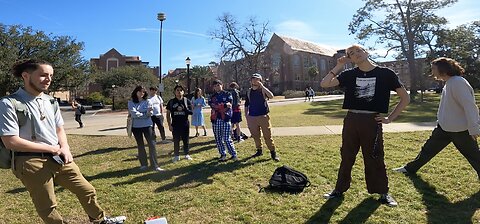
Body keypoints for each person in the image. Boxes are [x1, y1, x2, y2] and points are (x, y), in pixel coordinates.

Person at [0, 59, 126, 224]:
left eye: (51, 75)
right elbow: (11, 141)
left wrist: (65, 148)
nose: (48, 79)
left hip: (59, 156)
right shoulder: (9, 103)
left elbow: (59, 129)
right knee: (47, 206)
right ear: (26, 76)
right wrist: (52, 149)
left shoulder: (51, 101)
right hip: (29, 161)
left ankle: (100, 220)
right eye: (43, 75)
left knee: (87, 190)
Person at [320, 44, 410, 207]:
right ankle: (338, 190)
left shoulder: (385, 73)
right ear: (350, 59)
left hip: (372, 121)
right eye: (351, 54)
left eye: (358, 51)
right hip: (351, 120)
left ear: (366, 52)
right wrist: (339, 65)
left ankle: (383, 193)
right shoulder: (349, 74)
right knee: (347, 156)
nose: (356, 54)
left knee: (375, 157)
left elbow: (405, 98)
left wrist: (390, 118)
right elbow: (325, 84)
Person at [393, 57, 480, 180]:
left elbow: (469, 105)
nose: (432, 71)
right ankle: (409, 169)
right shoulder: (449, 82)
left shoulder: (458, 82)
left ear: (443, 69)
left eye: (434, 69)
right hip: (444, 128)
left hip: (460, 130)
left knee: (475, 157)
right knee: (427, 151)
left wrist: (474, 128)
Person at [245, 73, 280, 162]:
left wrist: (262, 86)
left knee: (267, 136)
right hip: (252, 117)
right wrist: (247, 117)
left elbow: (271, 96)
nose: (255, 81)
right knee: (256, 136)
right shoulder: (249, 92)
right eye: (253, 79)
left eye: (257, 79)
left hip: (263, 116)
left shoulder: (263, 90)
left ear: (260, 80)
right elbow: (246, 105)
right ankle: (259, 150)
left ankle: (273, 153)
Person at [128, 85, 164, 172]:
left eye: (143, 92)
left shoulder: (148, 101)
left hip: (148, 126)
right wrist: (144, 114)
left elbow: (150, 113)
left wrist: (141, 114)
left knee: (152, 144)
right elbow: (133, 113)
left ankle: (155, 165)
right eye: (140, 91)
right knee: (140, 145)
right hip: (136, 127)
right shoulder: (131, 102)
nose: (142, 93)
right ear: (136, 92)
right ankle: (144, 164)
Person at [209, 79, 238, 161]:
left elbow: (229, 104)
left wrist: (221, 106)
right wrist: (223, 105)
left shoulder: (227, 94)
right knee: (218, 138)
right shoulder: (212, 96)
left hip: (225, 118)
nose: (217, 87)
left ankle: (233, 154)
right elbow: (212, 105)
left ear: (222, 85)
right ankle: (222, 154)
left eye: (218, 85)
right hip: (215, 119)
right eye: (215, 86)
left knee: (226, 138)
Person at [166, 85, 193, 162]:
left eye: (181, 90)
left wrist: (185, 109)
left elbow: (191, 112)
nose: (179, 92)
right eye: (177, 90)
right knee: (176, 140)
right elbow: (168, 114)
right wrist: (169, 125)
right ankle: (176, 155)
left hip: (185, 124)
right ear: (174, 92)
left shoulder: (186, 101)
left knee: (185, 140)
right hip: (175, 124)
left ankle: (186, 154)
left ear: (183, 92)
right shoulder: (171, 102)